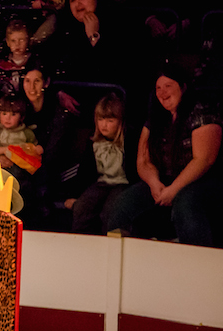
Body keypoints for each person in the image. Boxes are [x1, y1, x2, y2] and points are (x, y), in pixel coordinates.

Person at [104, 67, 221, 246]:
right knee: (123, 204)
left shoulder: (202, 112)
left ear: (183, 87)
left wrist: (173, 190)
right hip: (165, 181)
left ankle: (197, 257)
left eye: (168, 86)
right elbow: (143, 160)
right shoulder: (156, 117)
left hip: (202, 181)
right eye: (158, 88)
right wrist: (154, 184)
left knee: (186, 202)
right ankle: (117, 254)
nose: (162, 92)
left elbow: (204, 160)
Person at [69, 93, 129, 234]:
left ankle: (108, 242)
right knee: (82, 207)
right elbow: (84, 171)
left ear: (120, 121)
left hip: (123, 183)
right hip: (102, 183)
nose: (104, 125)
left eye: (110, 120)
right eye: (101, 119)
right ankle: (80, 240)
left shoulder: (128, 141)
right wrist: (75, 195)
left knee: (110, 210)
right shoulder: (94, 142)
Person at [0, 19, 32, 92]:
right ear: (8, 42)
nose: (17, 44)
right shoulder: (2, 65)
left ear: (27, 40)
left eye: (21, 40)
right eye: (13, 41)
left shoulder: (33, 62)